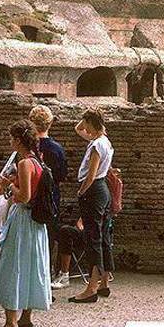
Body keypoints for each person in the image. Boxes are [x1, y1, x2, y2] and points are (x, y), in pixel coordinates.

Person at [0, 120, 52, 327]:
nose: (9, 141)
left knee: (12, 265)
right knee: (31, 266)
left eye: (11, 138)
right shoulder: (38, 161)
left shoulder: (24, 163)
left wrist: (8, 185)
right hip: (36, 224)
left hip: (23, 219)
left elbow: (24, 196)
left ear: (17, 140)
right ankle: (25, 318)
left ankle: (11, 323)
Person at [68, 108, 114, 303]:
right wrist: (87, 118)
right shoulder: (104, 141)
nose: (83, 126)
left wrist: (81, 191)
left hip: (93, 190)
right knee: (103, 237)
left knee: (93, 238)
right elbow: (78, 129)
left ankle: (91, 288)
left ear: (90, 122)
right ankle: (104, 283)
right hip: (103, 191)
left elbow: (91, 174)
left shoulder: (96, 145)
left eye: (85, 122)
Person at [28, 104, 67, 278]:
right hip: (51, 198)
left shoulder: (28, 148)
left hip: (30, 196)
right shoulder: (57, 149)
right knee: (48, 237)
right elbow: (62, 175)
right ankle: (46, 274)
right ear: (50, 123)